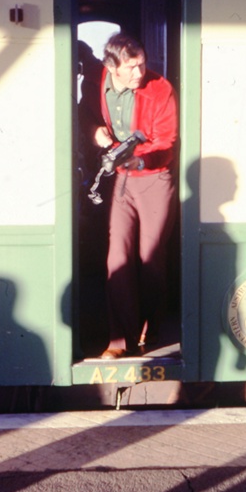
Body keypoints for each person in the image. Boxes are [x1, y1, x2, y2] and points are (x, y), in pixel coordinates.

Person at [88, 33, 178, 359]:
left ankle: (150, 330)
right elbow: (86, 115)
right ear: (112, 68)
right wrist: (94, 131)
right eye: (131, 67)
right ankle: (119, 340)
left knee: (150, 260)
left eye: (142, 64)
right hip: (123, 180)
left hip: (154, 178)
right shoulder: (100, 83)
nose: (140, 72)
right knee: (117, 258)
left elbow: (166, 143)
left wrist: (140, 159)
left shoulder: (161, 88)